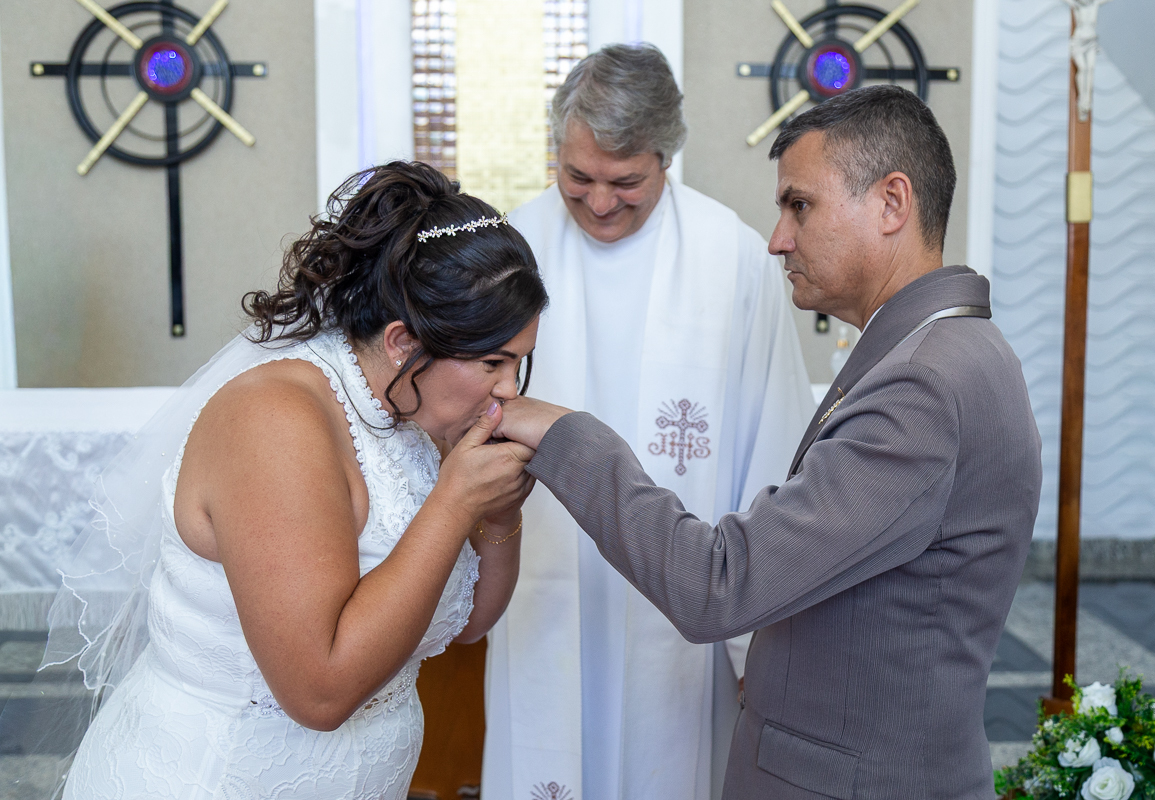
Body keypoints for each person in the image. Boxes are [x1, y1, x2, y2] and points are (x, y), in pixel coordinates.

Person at [495, 85, 1042, 799]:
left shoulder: (924, 386)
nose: (779, 237)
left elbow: (722, 586)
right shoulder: (931, 353)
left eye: (800, 205)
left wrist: (568, 435)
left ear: (891, 203)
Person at [34, 162, 545, 799]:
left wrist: (500, 519)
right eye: (494, 362)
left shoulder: (412, 408)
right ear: (401, 342)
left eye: (519, 362)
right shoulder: (276, 420)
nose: (508, 390)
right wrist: (455, 499)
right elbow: (319, 691)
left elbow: (467, 623)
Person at [481, 44, 814, 800]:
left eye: (626, 182)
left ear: (667, 157)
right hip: (540, 589)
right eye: (578, 178)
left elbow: (773, 448)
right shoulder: (506, 252)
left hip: (683, 609)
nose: (600, 203)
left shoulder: (734, 259)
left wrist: (751, 645)